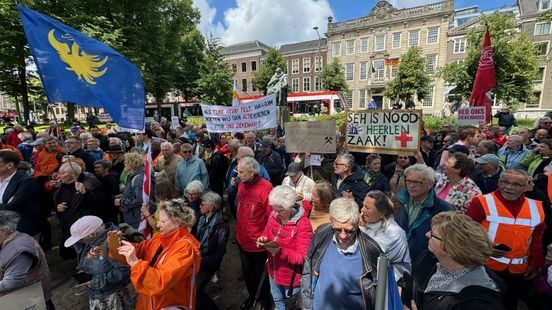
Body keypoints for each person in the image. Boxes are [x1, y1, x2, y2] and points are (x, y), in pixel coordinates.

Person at [466, 169, 545, 310]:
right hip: (485, 267)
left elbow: (537, 238)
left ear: (526, 186)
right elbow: (466, 232)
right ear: (498, 182)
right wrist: (484, 248)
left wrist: (535, 262)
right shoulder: (482, 201)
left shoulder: (536, 207)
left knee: (509, 303)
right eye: (505, 182)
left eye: (516, 184)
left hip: (518, 271)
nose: (509, 187)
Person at [402, 211, 505, 310]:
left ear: (452, 249)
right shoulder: (428, 257)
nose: (427, 234)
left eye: (433, 234)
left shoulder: (479, 301)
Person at [115, 199, 201, 310]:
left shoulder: (186, 248)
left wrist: (134, 262)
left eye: (163, 221)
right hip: (150, 300)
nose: (158, 225)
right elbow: (141, 249)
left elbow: (160, 281)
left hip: (165, 304)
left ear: (177, 222)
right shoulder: (162, 236)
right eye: (159, 220)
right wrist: (118, 243)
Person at [300, 197, 382, 310]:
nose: (343, 236)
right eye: (338, 229)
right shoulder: (321, 234)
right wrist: (307, 306)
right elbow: (308, 270)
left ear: (357, 223)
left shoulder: (371, 250)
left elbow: (381, 292)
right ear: (331, 221)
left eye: (349, 230)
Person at [257, 186, 313, 310]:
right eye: (274, 209)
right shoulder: (273, 215)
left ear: (290, 206)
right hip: (273, 271)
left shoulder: (302, 224)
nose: (276, 213)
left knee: (291, 305)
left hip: (292, 279)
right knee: (277, 299)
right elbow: (267, 232)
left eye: (281, 210)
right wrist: (264, 239)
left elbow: (303, 258)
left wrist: (280, 252)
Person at [64, 216, 133, 309]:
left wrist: (96, 282)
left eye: (81, 239)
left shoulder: (113, 242)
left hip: (114, 299)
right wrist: (84, 272)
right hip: (101, 296)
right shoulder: (92, 243)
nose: (80, 241)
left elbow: (124, 270)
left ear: (91, 234)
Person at [235, 157, 273, 310]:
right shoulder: (241, 185)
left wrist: (265, 239)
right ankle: (252, 297)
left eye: (241, 172)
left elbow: (271, 218)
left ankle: (264, 301)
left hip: (258, 244)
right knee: (247, 273)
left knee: (261, 275)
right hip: (242, 239)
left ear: (252, 172)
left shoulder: (266, 188)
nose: (238, 174)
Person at [395, 164, 454, 261]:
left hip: (424, 264)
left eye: (417, 182)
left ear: (430, 184)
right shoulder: (396, 202)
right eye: (408, 181)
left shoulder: (445, 210)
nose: (411, 186)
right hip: (396, 259)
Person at [54, 161, 104, 259]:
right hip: (70, 227)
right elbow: (58, 199)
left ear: (72, 174)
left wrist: (85, 193)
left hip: (86, 230)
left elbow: (99, 204)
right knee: (78, 252)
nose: (58, 176)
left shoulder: (90, 183)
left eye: (62, 173)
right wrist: (58, 207)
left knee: (89, 253)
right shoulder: (64, 184)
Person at [360, 190, 411, 281]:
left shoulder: (394, 233)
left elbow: (365, 253)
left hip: (391, 283)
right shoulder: (371, 223)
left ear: (381, 213)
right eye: (363, 205)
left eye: (367, 208)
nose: (362, 210)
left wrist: (362, 228)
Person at [195, 192, 229, 309]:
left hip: (207, 263)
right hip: (198, 259)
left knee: (195, 291)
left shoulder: (221, 225)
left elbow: (219, 252)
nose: (200, 206)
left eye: (202, 204)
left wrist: (201, 261)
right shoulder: (202, 218)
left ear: (211, 207)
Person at [0, 151, 42, 238]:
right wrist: (5, 205)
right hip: (4, 229)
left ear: (10, 165)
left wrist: (8, 205)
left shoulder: (26, 182)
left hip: (20, 231)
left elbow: (13, 207)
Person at [115, 152, 145, 229]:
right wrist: (124, 196)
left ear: (133, 164)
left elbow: (139, 199)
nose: (124, 163)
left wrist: (121, 201)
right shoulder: (137, 175)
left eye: (126, 161)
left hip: (135, 218)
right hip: (134, 216)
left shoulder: (138, 178)